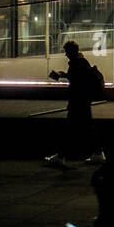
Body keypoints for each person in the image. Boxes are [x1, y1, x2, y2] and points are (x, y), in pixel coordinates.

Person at [44, 40, 105, 169]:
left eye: (66, 51)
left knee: (70, 130)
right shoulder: (81, 61)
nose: (65, 54)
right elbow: (78, 78)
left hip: (78, 101)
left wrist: (63, 75)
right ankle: (98, 153)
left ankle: (61, 157)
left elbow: (77, 81)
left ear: (71, 51)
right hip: (84, 100)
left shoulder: (77, 63)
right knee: (87, 128)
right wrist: (64, 75)